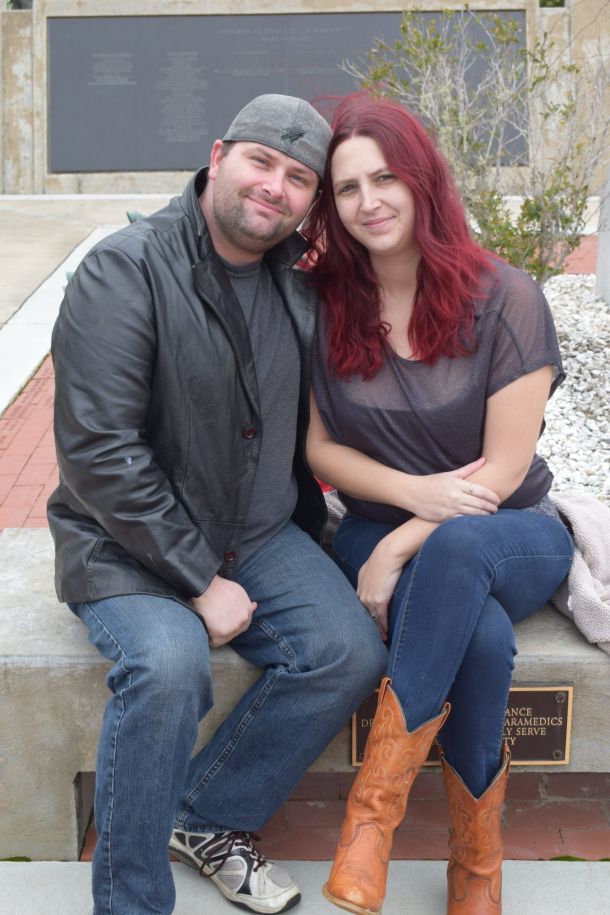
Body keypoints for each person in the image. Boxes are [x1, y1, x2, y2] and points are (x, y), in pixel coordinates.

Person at [48, 94, 387, 915]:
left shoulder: (298, 284)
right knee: (168, 668)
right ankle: (131, 901)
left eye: (298, 177)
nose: (275, 186)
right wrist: (200, 580)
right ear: (217, 156)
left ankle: (204, 817)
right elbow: (98, 450)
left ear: (311, 201)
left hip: (259, 534)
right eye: (261, 161)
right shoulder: (125, 269)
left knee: (346, 650)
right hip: (126, 542)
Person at [303, 93, 574, 915]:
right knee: (480, 637)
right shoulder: (326, 303)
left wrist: (399, 545)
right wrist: (407, 501)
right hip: (379, 521)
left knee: (454, 550)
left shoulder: (506, 296)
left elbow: (505, 466)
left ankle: (370, 820)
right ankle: (477, 862)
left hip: (508, 530)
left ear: (422, 179)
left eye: (385, 177)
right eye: (348, 187)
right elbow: (319, 448)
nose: (369, 201)